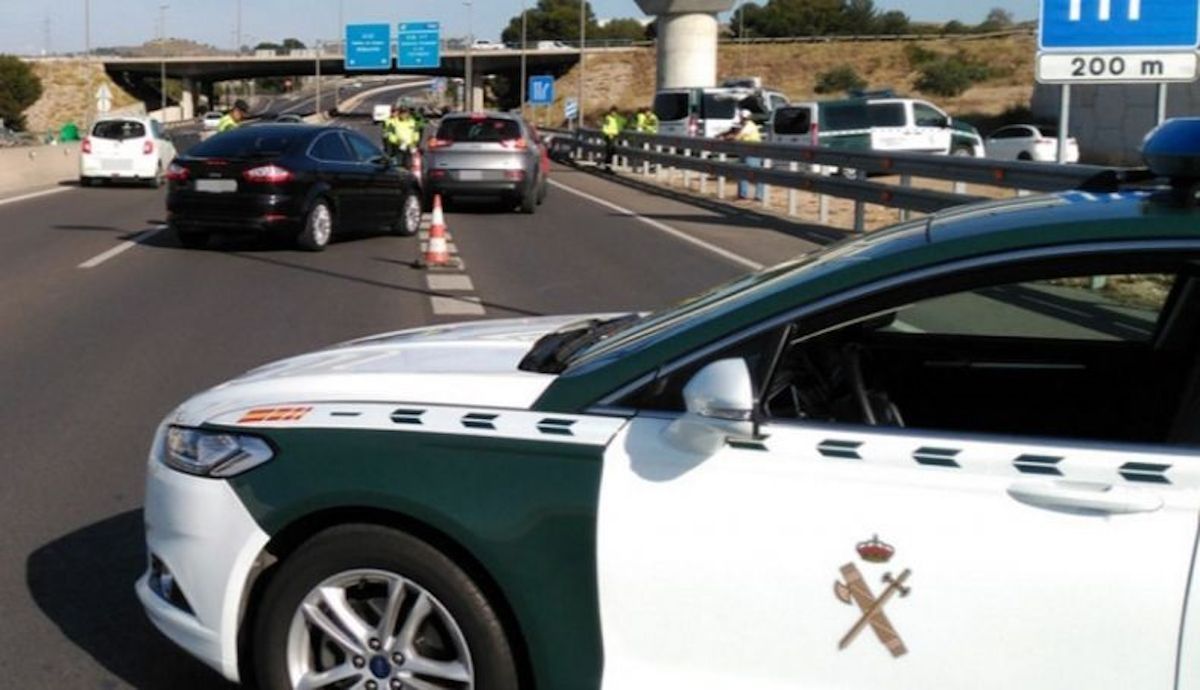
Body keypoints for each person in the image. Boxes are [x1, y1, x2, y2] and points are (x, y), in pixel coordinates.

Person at [723, 108, 765, 201]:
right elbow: (732, 132)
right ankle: (742, 195)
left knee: (756, 174)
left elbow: (737, 136)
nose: (744, 119)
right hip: (745, 151)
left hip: (753, 151)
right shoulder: (742, 125)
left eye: (745, 118)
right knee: (742, 173)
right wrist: (724, 135)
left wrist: (727, 138)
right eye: (743, 118)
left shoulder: (749, 126)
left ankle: (759, 196)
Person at [601, 105, 625, 172]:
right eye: (612, 112)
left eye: (614, 112)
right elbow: (605, 127)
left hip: (615, 136)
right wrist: (608, 134)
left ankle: (611, 165)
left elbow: (621, 125)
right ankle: (607, 166)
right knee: (609, 151)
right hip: (609, 136)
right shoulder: (608, 118)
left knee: (614, 151)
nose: (613, 113)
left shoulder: (617, 119)